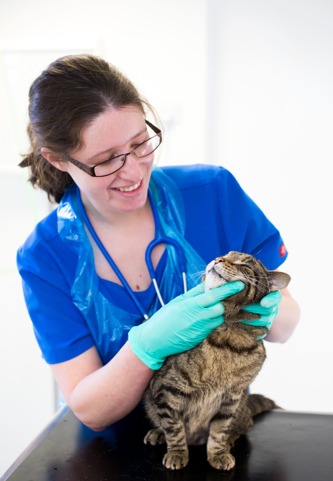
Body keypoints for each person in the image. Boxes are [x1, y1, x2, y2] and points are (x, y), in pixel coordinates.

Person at [17, 54, 300, 432]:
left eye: (139, 144)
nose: (133, 172)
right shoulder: (45, 256)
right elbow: (89, 408)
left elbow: (286, 326)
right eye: (106, 160)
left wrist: (261, 305)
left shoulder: (213, 193)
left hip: (215, 431)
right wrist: (146, 346)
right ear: (58, 160)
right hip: (113, 455)